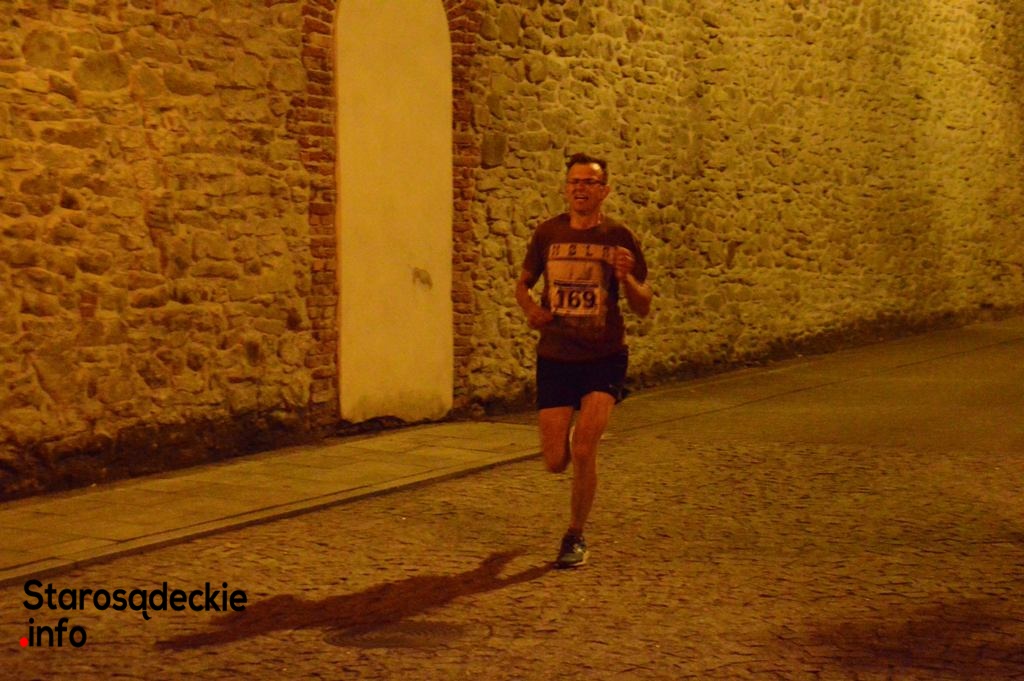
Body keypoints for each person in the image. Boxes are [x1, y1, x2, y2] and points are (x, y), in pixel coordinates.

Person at [515, 152, 652, 568]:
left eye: (589, 182)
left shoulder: (619, 236)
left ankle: (574, 535)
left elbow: (644, 304)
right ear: (566, 188)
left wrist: (626, 278)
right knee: (555, 461)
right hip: (556, 356)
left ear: (604, 191)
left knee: (584, 446)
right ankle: (577, 451)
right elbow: (523, 285)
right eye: (574, 182)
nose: (580, 188)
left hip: (602, 356)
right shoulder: (547, 233)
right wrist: (531, 309)